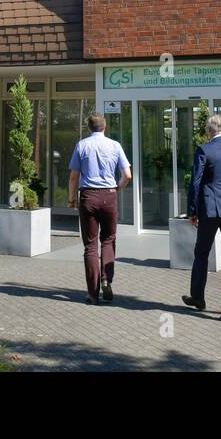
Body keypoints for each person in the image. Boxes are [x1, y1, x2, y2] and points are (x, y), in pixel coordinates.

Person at [181, 113, 221, 322]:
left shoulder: (204, 149)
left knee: (202, 252)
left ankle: (198, 297)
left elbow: (195, 182)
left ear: (209, 131)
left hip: (211, 208)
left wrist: (192, 210)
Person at [67, 112, 131, 304]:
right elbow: (127, 175)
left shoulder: (82, 145)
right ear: (105, 127)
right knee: (109, 239)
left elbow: (73, 176)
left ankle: (93, 294)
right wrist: (116, 189)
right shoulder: (115, 145)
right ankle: (106, 279)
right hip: (109, 195)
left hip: (88, 196)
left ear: (89, 127)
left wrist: (71, 199)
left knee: (90, 245)